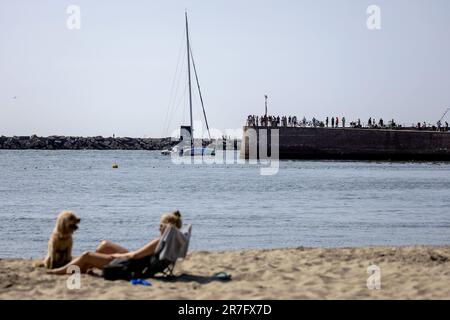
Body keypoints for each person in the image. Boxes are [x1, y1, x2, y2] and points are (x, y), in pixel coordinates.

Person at [47, 211, 183, 275]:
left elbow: (134, 256)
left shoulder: (158, 240)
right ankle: (85, 266)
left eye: (161, 225)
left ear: (167, 227)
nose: (158, 227)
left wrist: (116, 256)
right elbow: (138, 256)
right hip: (139, 262)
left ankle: (57, 272)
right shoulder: (168, 241)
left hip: (130, 266)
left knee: (86, 255)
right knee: (104, 245)